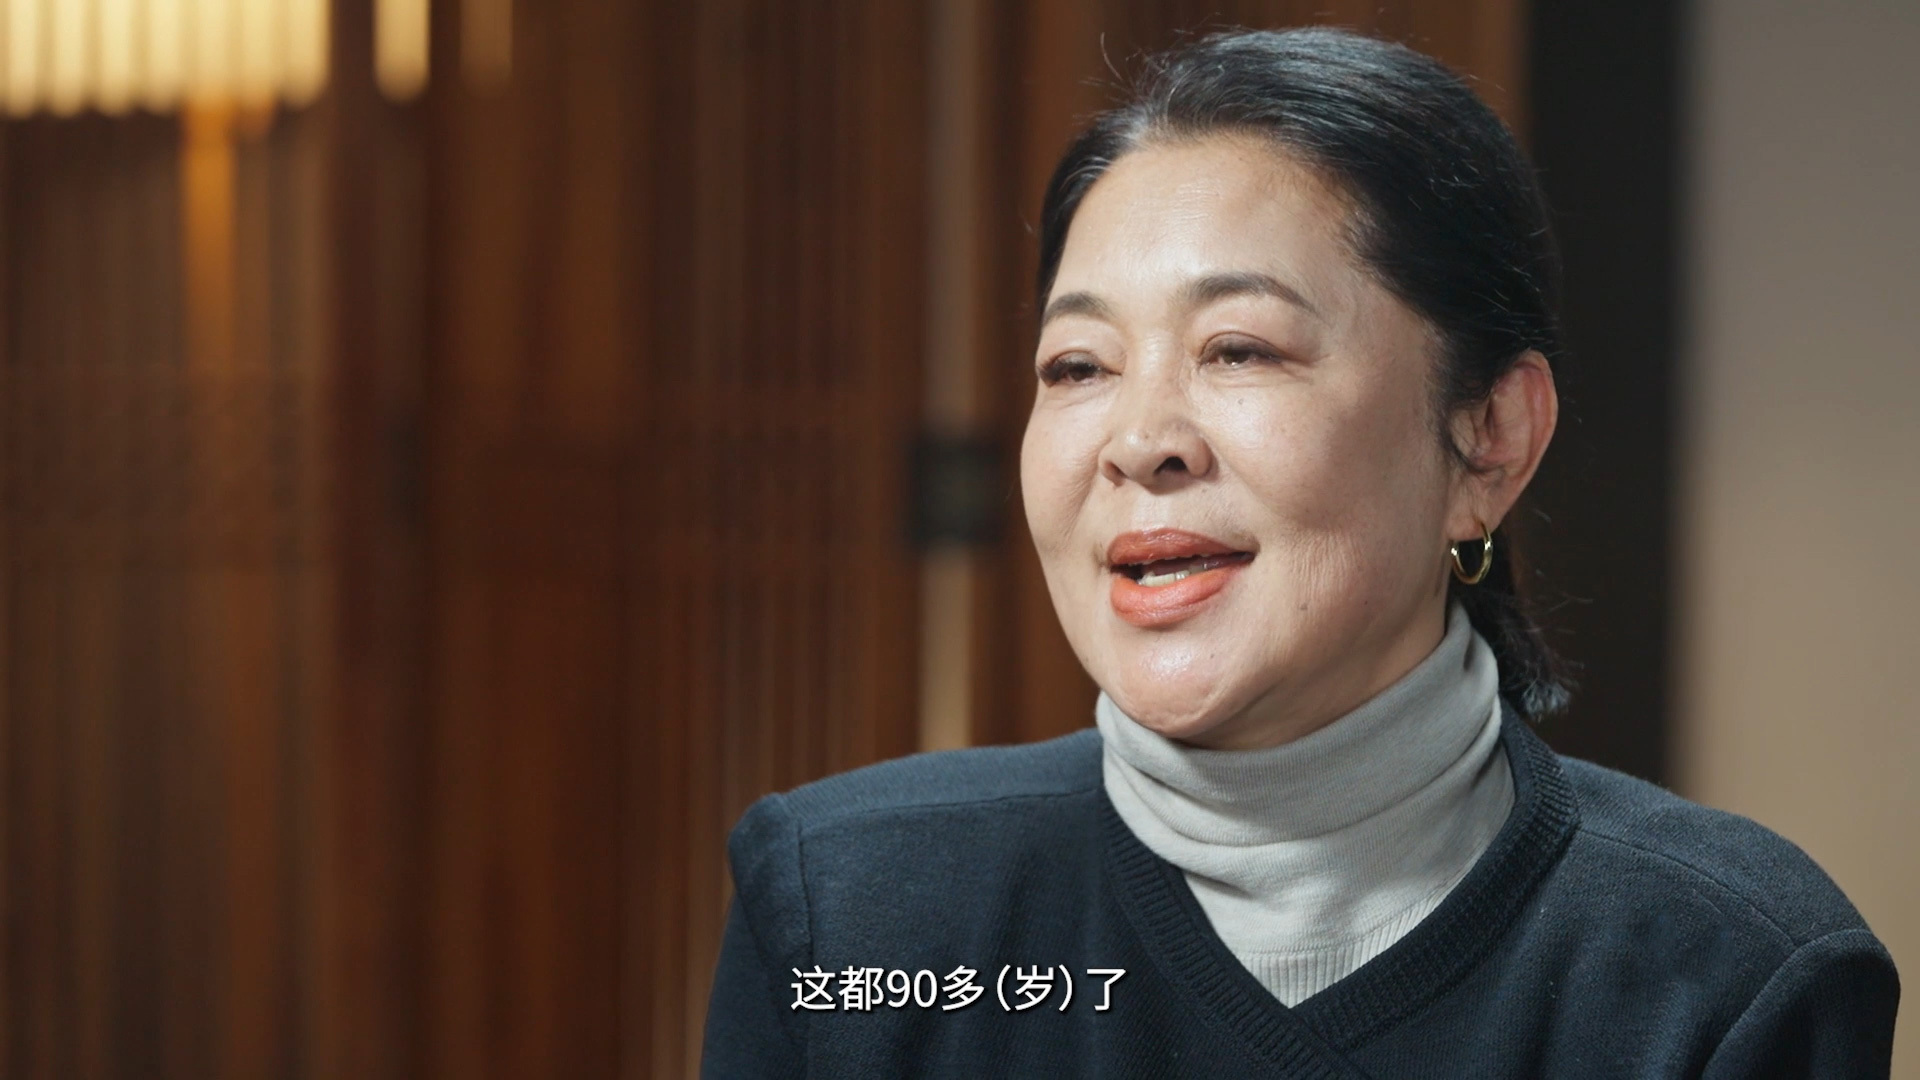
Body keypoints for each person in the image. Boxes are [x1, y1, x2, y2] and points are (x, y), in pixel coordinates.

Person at [702, 27, 1899, 1078]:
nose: (1141, 441)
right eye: (1078, 366)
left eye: (1240, 350)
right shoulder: (850, 914)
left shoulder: (1723, 970)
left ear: (1488, 438)